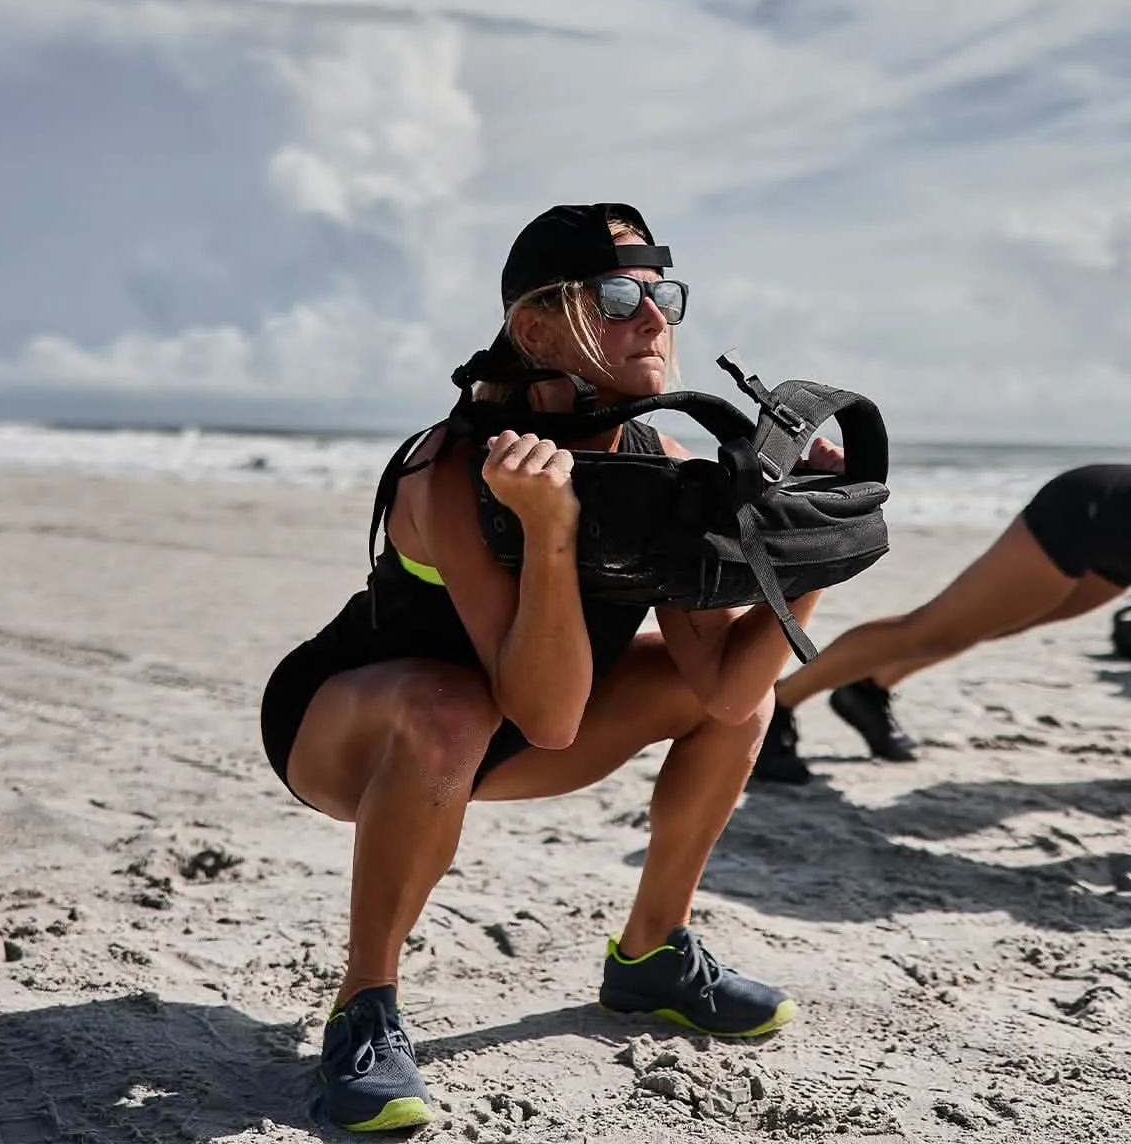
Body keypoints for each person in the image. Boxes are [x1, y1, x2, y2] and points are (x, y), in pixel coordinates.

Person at [259, 203, 846, 1132]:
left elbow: (730, 690)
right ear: (536, 328)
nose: (652, 319)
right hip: (353, 735)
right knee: (451, 703)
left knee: (742, 703)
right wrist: (547, 532)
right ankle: (364, 1007)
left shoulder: (663, 460)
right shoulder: (452, 469)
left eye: (662, 297)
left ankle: (651, 954)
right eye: (618, 297)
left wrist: (805, 552)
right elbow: (550, 715)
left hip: (507, 733)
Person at [752, 464, 1131, 785]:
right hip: (1087, 516)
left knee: (993, 627)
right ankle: (780, 703)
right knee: (933, 630)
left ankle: (865, 690)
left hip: (1118, 545)